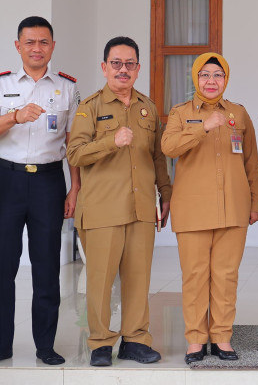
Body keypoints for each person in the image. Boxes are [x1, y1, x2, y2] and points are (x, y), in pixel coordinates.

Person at [0, 16, 81, 367]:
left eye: (44, 42)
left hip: (50, 182)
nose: (37, 48)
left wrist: (74, 187)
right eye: (30, 42)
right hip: (9, 180)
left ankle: (45, 346)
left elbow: (74, 142)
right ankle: (0, 345)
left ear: (53, 46)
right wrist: (15, 117)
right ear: (18, 45)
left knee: (47, 266)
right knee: (2, 264)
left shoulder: (67, 87)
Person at [66, 37, 172, 367]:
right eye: (116, 63)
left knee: (139, 279)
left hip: (141, 207)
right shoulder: (91, 107)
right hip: (102, 208)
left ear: (138, 69)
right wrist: (111, 141)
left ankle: (136, 340)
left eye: (129, 64)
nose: (123, 70)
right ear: (104, 67)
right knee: (99, 279)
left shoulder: (148, 107)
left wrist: (165, 194)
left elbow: (157, 157)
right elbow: (75, 152)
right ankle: (99, 342)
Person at [161, 52, 258, 364]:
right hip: (193, 211)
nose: (210, 81)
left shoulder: (238, 113)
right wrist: (202, 127)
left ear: (225, 79)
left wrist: (257, 201)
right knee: (195, 276)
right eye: (204, 75)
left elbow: (252, 162)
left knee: (226, 275)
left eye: (217, 75)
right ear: (196, 78)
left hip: (233, 208)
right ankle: (196, 339)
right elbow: (169, 147)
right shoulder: (180, 113)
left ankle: (221, 337)